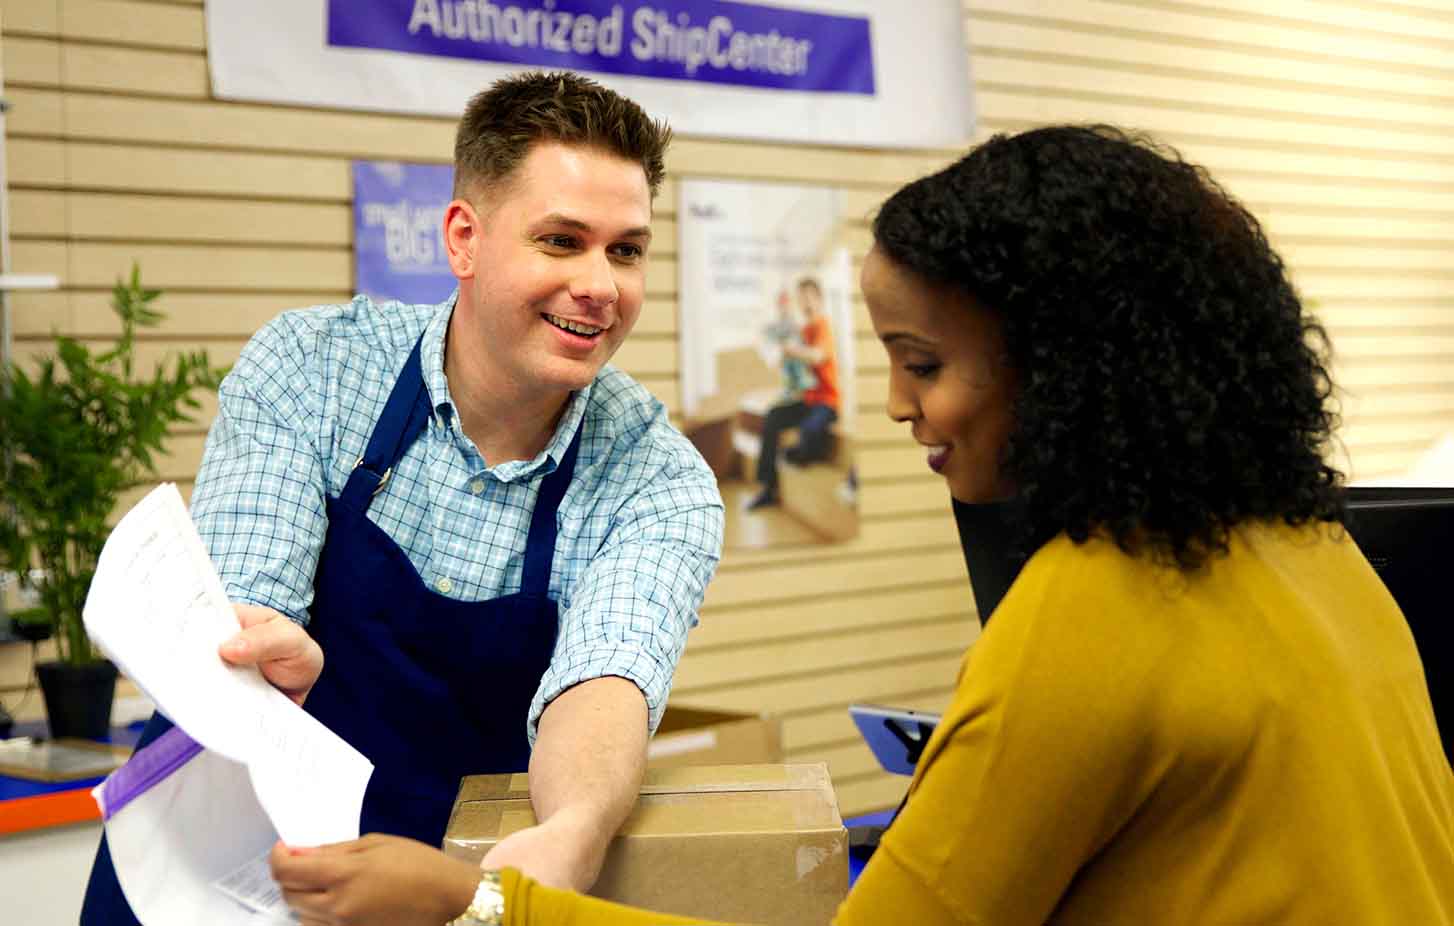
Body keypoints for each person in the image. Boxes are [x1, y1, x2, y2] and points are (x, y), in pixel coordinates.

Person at [273, 125, 1454, 924]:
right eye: (561, 242)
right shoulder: (1316, 551)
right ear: (459, 242)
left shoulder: (1089, 613)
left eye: (922, 361)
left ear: (1063, 365)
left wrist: (472, 898)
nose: (892, 404)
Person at [80, 70, 725, 922]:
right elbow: (240, 615)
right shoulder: (312, 369)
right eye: (562, 241)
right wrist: (264, 661)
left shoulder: (657, 478)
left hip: (442, 885)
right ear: (464, 238)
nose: (601, 285)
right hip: (212, 868)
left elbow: (603, 681)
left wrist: (574, 828)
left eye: (627, 249)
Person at [746, 276, 840, 510]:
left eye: (809, 297)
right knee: (771, 418)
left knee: (808, 433)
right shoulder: (801, 330)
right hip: (806, 401)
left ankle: (791, 455)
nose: (805, 303)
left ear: (819, 299)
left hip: (826, 403)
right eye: (802, 298)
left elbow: (818, 355)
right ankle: (767, 488)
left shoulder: (823, 325)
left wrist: (791, 350)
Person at [761, 288, 817, 400]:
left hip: (803, 376)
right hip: (788, 376)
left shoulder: (799, 324)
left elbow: (806, 350)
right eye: (782, 303)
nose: (784, 307)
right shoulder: (775, 327)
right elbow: (772, 351)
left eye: (786, 303)